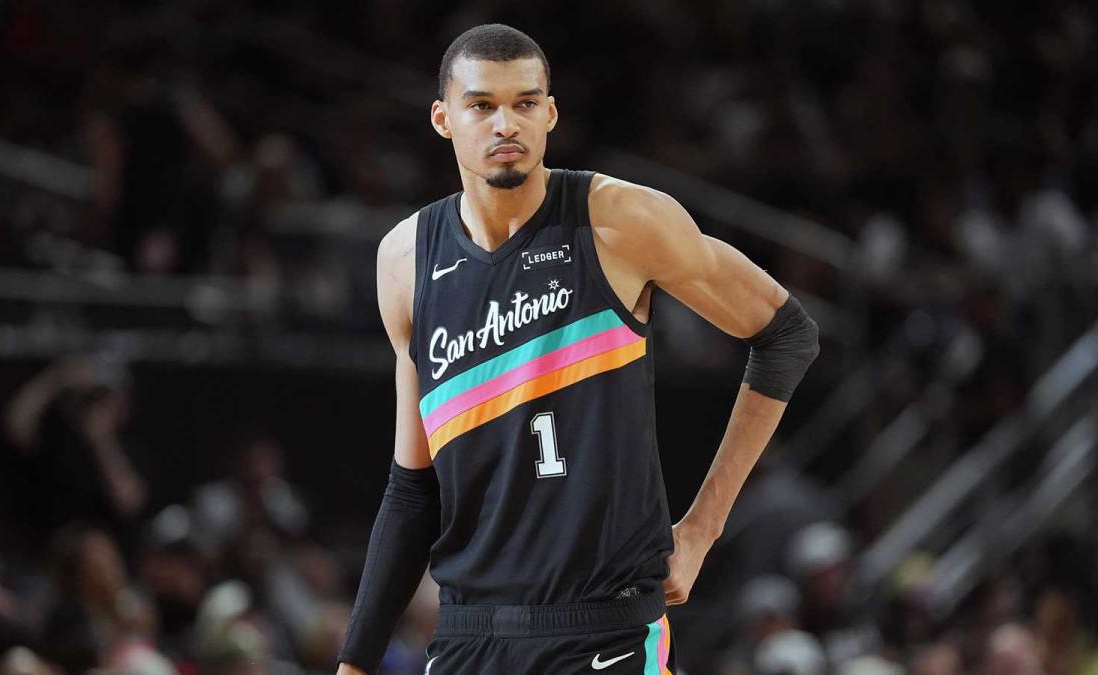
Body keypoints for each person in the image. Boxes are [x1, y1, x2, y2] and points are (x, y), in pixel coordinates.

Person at [336, 23, 819, 674]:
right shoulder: (404, 260)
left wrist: (703, 527)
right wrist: (355, 661)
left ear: (550, 113)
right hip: (468, 636)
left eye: (525, 103)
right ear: (443, 118)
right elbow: (412, 491)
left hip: (607, 626)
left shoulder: (621, 221)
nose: (506, 123)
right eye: (482, 105)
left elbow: (787, 333)